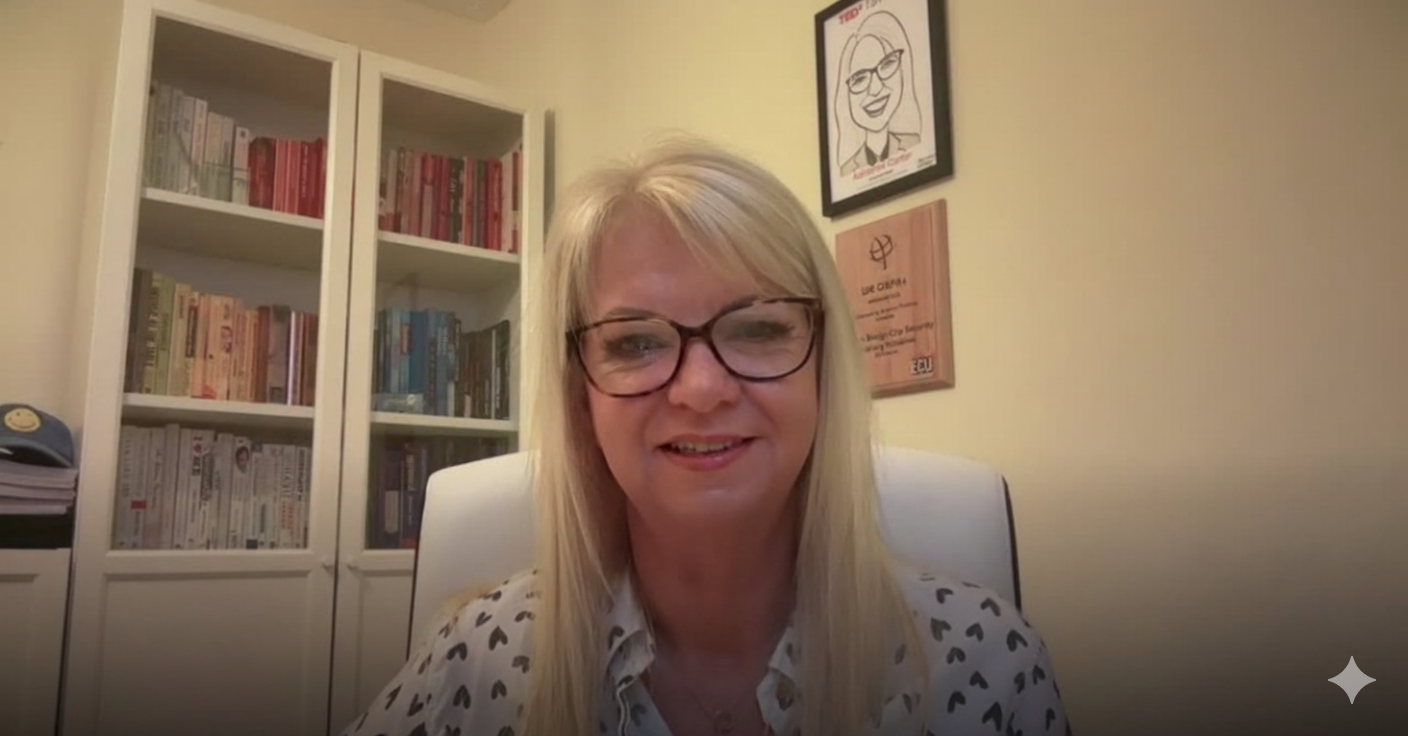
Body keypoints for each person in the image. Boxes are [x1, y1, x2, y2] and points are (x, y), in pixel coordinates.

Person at [338, 136, 1071, 736]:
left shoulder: (987, 664)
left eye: (757, 329)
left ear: (824, 372)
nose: (699, 389)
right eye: (632, 344)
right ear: (579, 394)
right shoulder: (476, 663)